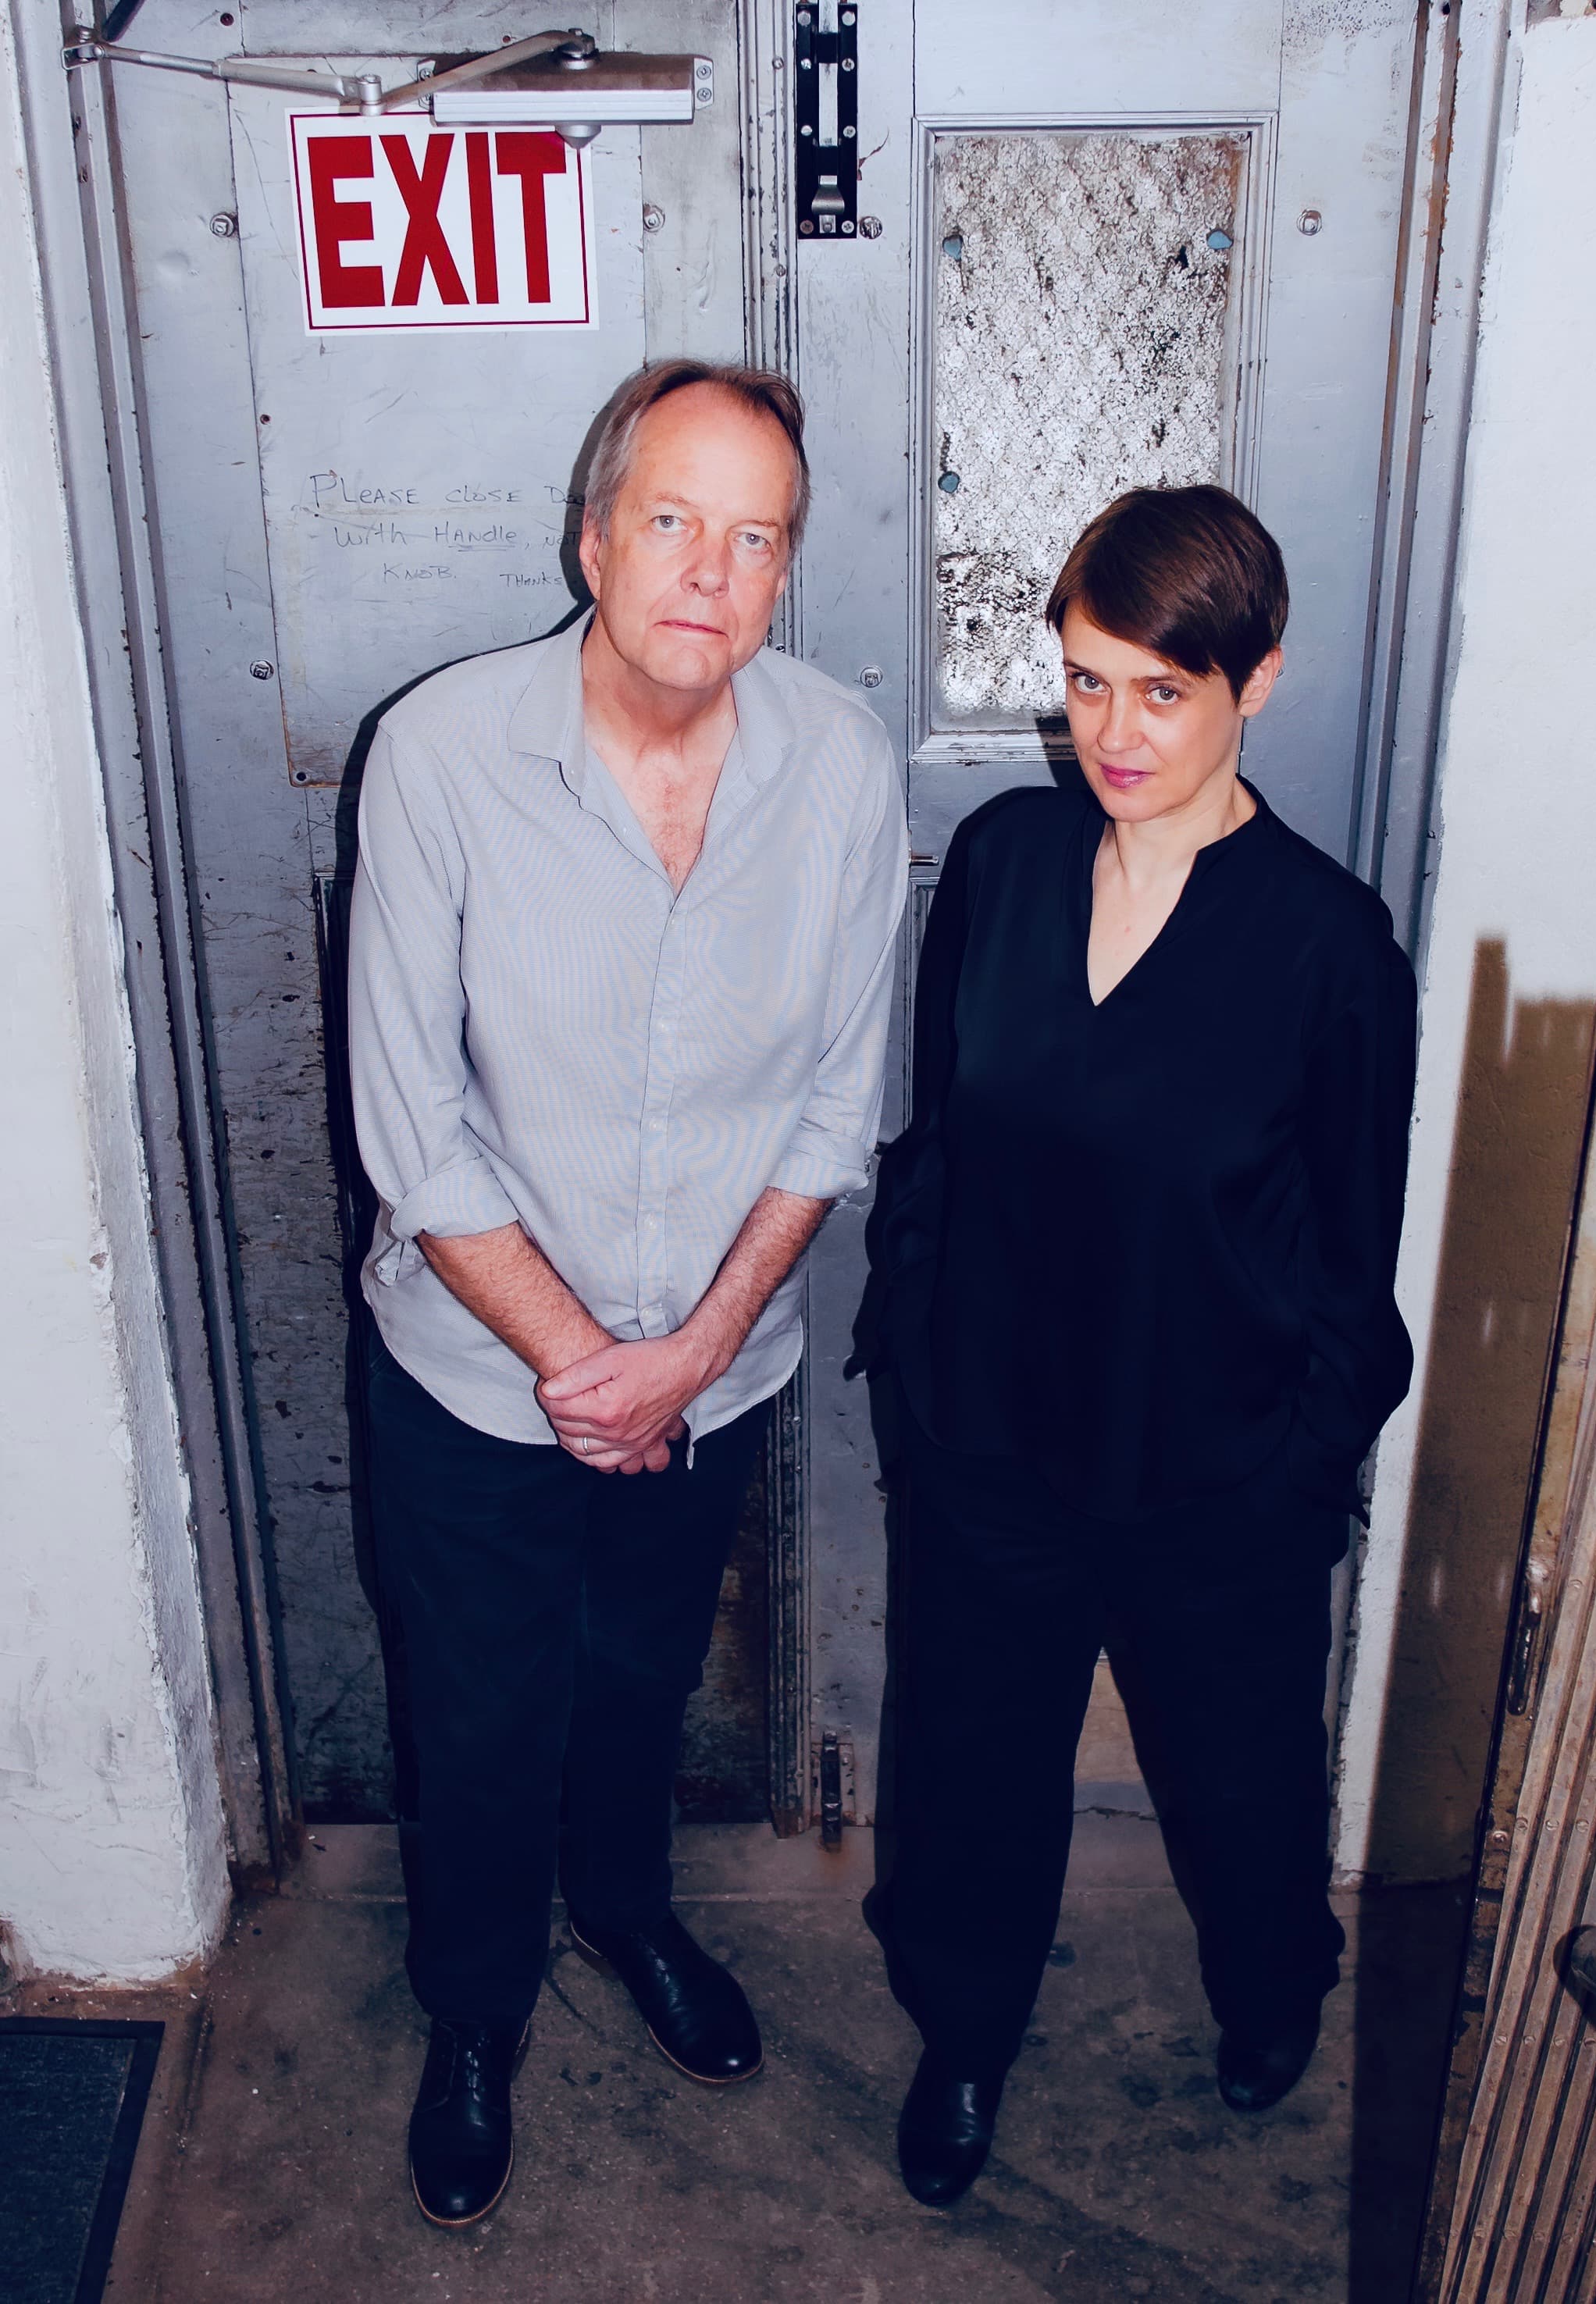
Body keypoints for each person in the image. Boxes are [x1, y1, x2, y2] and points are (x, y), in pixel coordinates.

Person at [348, 359, 907, 2227]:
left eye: (757, 539)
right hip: (477, 1385)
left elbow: (838, 1100)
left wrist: (693, 1356)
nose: (710, 570)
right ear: (591, 538)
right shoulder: (438, 754)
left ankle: (627, 1911)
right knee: (484, 1711)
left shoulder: (838, 762)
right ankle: (478, 2009)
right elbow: (411, 1133)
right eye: (672, 520)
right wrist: (595, 1367)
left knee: (640, 1680)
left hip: (715, 1377)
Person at [860, 484, 1416, 2206]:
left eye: (1160, 692)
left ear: (1258, 680)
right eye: (1085, 682)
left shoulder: (1327, 948)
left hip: (1209, 1481)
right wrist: (918, 1370)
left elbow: (1348, 1257)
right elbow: (938, 1142)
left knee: (1238, 1792)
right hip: (992, 1455)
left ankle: (1268, 1994)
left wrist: (1291, 1468)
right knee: (966, 1778)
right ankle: (963, 2039)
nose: (1110, 732)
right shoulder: (1008, 867)